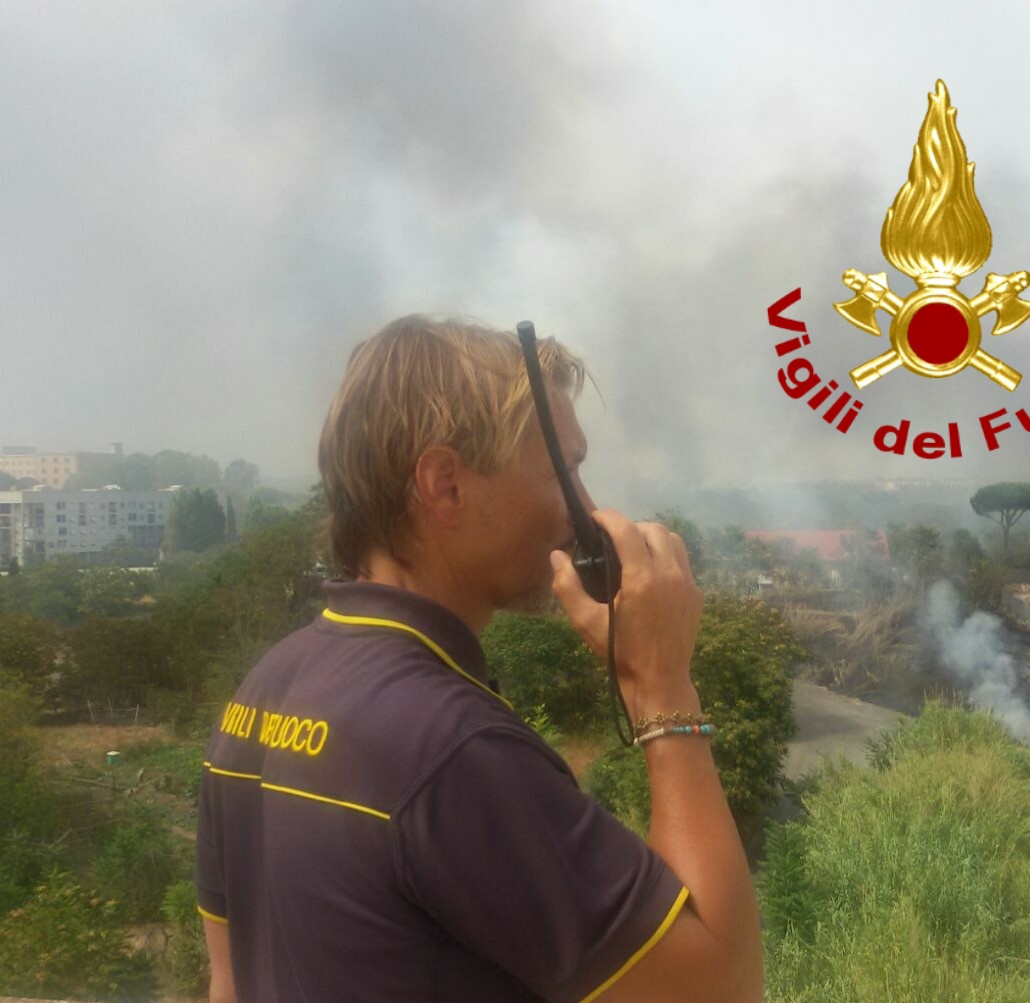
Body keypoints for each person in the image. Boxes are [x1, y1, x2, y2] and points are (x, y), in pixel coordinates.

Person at [194, 315, 764, 1002]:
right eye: (565, 472)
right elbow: (720, 988)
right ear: (447, 487)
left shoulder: (260, 692)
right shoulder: (454, 751)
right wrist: (663, 688)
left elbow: (228, 983)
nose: (586, 509)